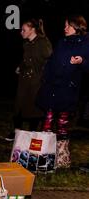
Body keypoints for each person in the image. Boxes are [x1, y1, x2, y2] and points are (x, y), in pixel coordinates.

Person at [36, 15, 89, 167]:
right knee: (47, 121)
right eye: (65, 26)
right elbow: (52, 61)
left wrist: (82, 61)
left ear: (77, 27)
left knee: (62, 123)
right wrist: (46, 76)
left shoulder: (85, 43)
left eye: (68, 26)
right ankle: (43, 156)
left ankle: (62, 158)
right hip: (52, 87)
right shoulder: (62, 42)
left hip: (68, 89)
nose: (65, 28)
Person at [6, 19, 53, 141]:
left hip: (37, 80)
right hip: (24, 80)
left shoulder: (43, 42)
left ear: (32, 30)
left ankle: (32, 133)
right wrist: (20, 67)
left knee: (34, 108)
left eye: (24, 30)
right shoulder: (26, 44)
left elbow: (49, 59)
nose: (21, 32)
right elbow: (26, 60)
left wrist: (45, 76)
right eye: (21, 30)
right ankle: (16, 132)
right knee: (19, 106)